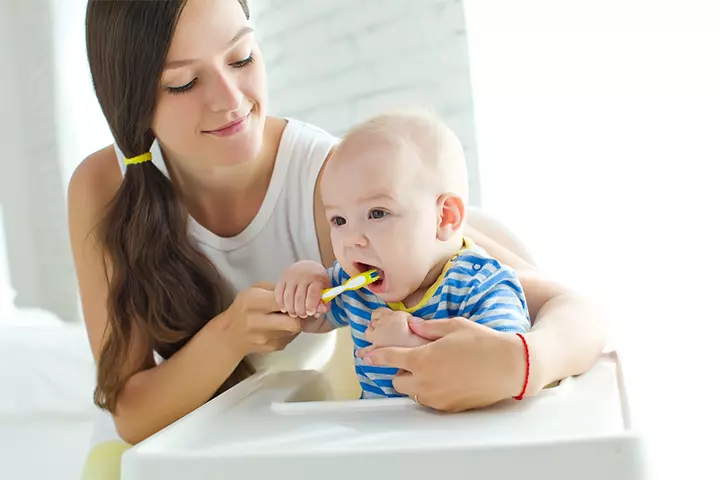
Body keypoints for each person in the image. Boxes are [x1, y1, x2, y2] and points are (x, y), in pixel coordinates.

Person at [68, 0, 607, 478]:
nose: (230, 99)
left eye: (242, 59)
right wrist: (229, 335)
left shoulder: (336, 189)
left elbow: (575, 311)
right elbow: (132, 416)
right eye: (183, 83)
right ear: (132, 102)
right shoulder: (102, 187)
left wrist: (519, 362)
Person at [275, 109, 530, 399]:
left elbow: (501, 367)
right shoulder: (354, 283)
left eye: (377, 213)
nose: (352, 240)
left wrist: (413, 346)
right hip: (377, 437)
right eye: (339, 221)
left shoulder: (482, 286)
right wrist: (306, 287)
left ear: (444, 218)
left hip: (461, 436)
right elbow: (317, 317)